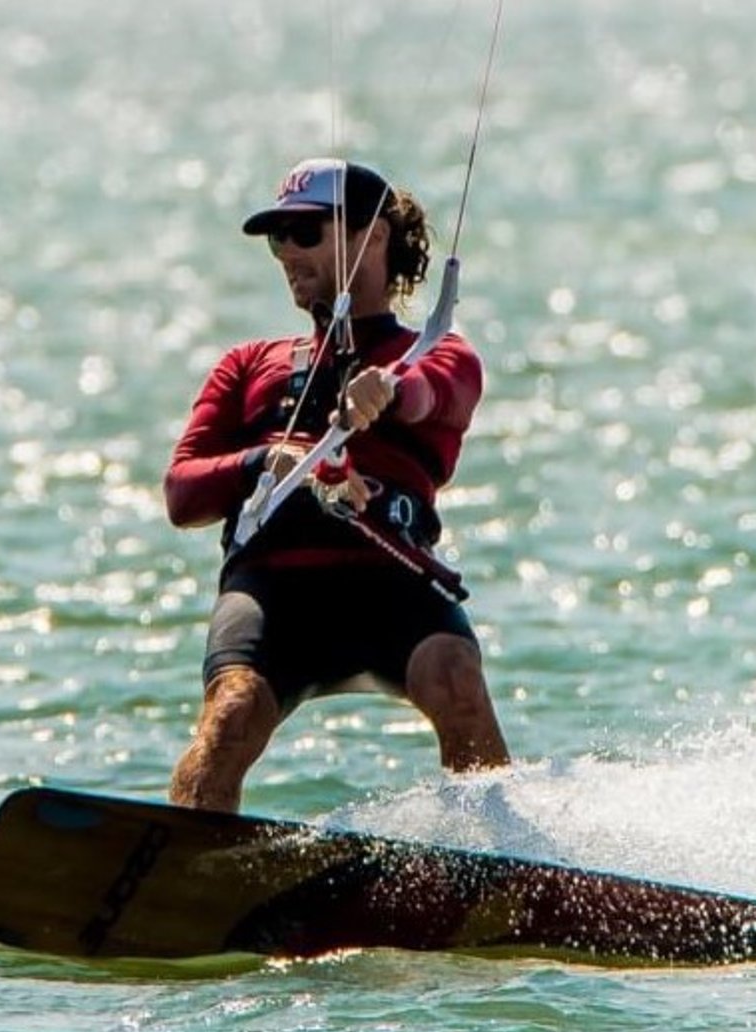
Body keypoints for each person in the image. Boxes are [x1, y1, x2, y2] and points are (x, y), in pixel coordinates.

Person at [163, 157, 511, 812]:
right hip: (275, 591)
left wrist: (389, 392)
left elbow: (435, 392)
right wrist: (262, 461)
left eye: (306, 233)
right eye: (278, 239)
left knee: (455, 678)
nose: (288, 253)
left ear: (372, 237)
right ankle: (181, 859)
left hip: (391, 584)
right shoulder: (248, 364)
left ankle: (502, 853)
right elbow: (182, 494)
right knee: (232, 713)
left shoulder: (437, 352)